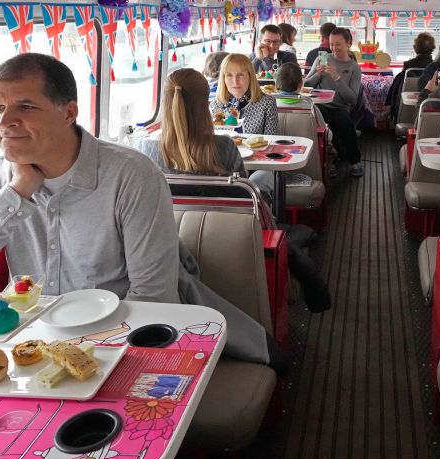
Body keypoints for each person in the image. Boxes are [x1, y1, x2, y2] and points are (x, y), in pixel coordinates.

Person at [0, 54, 278, 366]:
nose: (5, 120)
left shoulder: (131, 176)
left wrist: (76, 356)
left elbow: (153, 299)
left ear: (69, 112)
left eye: (25, 107)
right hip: (27, 344)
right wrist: (15, 193)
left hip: (118, 343)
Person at [138, 68, 332, 313]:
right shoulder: (224, 147)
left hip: (167, 233)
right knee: (263, 187)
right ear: (203, 106)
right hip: (229, 233)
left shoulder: (143, 147)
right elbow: (240, 200)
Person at [305, 26, 364, 177]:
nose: (334, 48)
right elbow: (306, 86)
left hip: (340, 107)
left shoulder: (354, 68)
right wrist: (318, 74)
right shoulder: (322, 58)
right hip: (319, 105)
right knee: (316, 123)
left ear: (348, 44)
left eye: (338, 44)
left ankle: (354, 161)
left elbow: (352, 99)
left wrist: (337, 78)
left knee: (344, 122)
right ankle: (325, 162)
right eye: (331, 44)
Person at [211, 53, 279, 135]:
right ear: (223, 79)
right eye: (229, 75)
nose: (235, 81)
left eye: (240, 75)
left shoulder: (267, 103)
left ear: (250, 77)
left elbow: (271, 140)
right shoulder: (215, 105)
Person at [387, 32, 435, 114]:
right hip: (428, 108)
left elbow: (398, 88)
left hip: (406, 109)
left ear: (415, 47)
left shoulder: (408, 65)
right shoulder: (436, 68)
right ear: (432, 48)